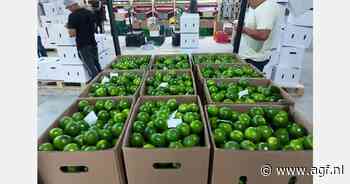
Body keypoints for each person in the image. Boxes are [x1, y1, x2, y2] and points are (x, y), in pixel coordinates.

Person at [236, 0, 283, 71]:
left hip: (254, 60)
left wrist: (242, 29)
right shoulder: (255, 6)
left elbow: (263, 35)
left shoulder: (268, 6)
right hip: (245, 56)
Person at [64, 0, 102, 79]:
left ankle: (97, 84)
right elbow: (94, 26)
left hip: (83, 45)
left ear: (72, 5)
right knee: (96, 64)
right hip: (93, 42)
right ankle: (105, 81)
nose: (69, 10)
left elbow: (72, 34)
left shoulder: (72, 16)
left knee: (91, 67)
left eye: (68, 8)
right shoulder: (89, 12)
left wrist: (69, 26)